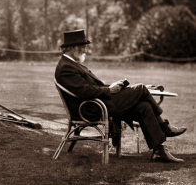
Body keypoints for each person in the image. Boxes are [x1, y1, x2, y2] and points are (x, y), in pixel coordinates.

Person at [55, 29, 187, 163]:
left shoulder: (72, 64)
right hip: (91, 108)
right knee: (140, 88)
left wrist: (112, 87)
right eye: (83, 46)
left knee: (144, 106)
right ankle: (165, 127)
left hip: (98, 103)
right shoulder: (66, 67)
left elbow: (89, 88)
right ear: (72, 48)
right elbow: (85, 91)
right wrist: (109, 90)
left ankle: (159, 151)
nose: (85, 50)